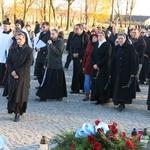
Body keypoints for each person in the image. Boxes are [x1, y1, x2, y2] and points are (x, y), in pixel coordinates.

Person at [7, 32, 33, 122]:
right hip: (13, 75)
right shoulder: (12, 49)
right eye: (17, 39)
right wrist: (12, 71)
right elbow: (8, 61)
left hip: (23, 76)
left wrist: (18, 72)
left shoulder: (29, 50)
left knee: (20, 94)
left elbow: (28, 63)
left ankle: (18, 112)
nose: (18, 41)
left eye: (20, 39)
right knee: (13, 93)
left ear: (24, 39)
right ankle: (12, 109)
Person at [110, 32, 138, 111]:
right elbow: (113, 60)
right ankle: (117, 101)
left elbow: (133, 60)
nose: (120, 40)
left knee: (123, 88)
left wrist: (133, 72)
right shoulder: (116, 48)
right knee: (117, 87)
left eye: (122, 38)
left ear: (125, 39)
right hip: (117, 71)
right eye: (119, 39)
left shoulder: (130, 47)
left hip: (126, 72)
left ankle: (122, 103)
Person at [36, 29, 67, 101]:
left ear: (57, 34)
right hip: (49, 65)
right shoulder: (50, 41)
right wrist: (45, 61)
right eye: (51, 34)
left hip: (57, 65)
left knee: (58, 83)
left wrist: (51, 45)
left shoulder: (60, 43)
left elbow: (58, 53)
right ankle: (43, 96)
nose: (51, 36)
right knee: (47, 82)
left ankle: (59, 96)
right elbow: (48, 52)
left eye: (53, 34)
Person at [91, 31, 112, 105]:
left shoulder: (108, 45)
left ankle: (103, 99)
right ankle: (97, 98)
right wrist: (94, 64)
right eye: (98, 36)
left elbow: (107, 57)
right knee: (96, 83)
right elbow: (92, 55)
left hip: (104, 67)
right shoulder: (96, 44)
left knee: (102, 83)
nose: (99, 37)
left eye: (101, 36)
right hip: (95, 67)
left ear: (104, 36)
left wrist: (98, 64)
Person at [70, 24, 89, 94]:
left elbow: (86, 48)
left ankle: (83, 87)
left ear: (81, 29)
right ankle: (75, 88)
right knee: (75, 73)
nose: (75, 30)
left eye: (76, 29)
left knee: (81, 73)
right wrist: (72, 54)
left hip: (82, 57)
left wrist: (79, 54)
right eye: (75, 28)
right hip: (75, 56)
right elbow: (71, 45)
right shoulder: (74, 35)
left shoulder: (85, 36)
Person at [82, 33, 98, 101]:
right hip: (88, 64)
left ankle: (94, 95)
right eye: (93, 37)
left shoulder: (98, 45)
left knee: (94, 81)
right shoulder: (89, 45)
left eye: (95, 37)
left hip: (95, 65)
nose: (94, 39)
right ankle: (87, 94)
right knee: (86, 81)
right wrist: (83, 65)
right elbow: (85, 55)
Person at [35, 21, 50, 89]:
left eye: (44, 27)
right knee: (38, 72)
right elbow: (38, 42)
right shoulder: (41, 34)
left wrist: (41, 49)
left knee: (43, 72)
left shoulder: (49, 35)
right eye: (41, 27)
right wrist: (36, 48)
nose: (42, 28)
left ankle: (44, 85)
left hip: (45, 55)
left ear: (48, 27)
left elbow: (48, 46)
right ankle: (41, 83)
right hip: (39, 55)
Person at [0, 19, 12, 88]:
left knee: (5, 69)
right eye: (4, 26)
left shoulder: (11, 35)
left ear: (9, 26)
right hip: (0, 53)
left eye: (6, 26)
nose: (5, 28)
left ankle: (4, 83)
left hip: (6, 54)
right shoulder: (1, 34)